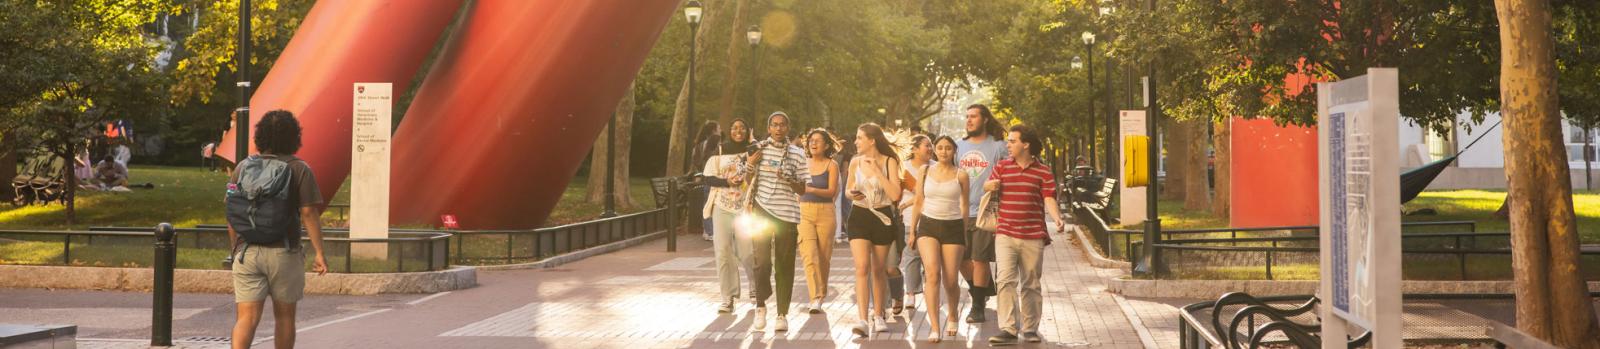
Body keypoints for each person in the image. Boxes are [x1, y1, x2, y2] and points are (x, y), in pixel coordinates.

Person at [226, 110, 329, 349]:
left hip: (247, 251)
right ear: (294, 137)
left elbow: (232, 213)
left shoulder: (243, 167)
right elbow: (308, 213)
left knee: (246, 318)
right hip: (284, 251)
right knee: (284, 318)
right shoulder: (299, 169)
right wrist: (320, 253)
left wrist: (234, 248)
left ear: (260, 135)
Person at [985, 125, 1068, 346]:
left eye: (1012, 141)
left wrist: (1057, 218)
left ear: (1026, 144)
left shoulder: (1043, 171)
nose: (1008, 145)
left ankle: (1030, 329)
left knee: (1031, 283)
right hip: (1005, 233)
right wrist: (989, 185)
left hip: (1033, 235)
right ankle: (1008, 328)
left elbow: (1049, 197)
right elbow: (987, 186)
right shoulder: (1002, 166)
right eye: (1008, 141)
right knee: (1004, 280)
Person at [733, 112, 808, 333]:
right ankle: (760, 306)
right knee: (762, 262)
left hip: (787, 215)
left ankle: (782, 313)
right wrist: (750, 164)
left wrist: (789, 179)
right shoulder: (758, 150)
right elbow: (747, 181)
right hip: (761, 211)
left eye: (782, 125)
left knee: (785, 264)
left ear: (788, 127)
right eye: (774, 125)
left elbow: (803, 189)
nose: (778, 129)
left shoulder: (797, 153)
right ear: (768, 128)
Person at [908, 135, 971, 342]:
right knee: (932, 274)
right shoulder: (924, 171)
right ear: (935, 150)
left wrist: (963, 232)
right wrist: (912, 230)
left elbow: (964, 206)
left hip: (953, 226)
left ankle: (952, 314)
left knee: (951, 280)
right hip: (928, 225)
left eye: (948, 148)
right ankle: (935, 327)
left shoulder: (961, 175)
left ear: (954, 151)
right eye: (940, 148)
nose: (944, 151)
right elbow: (918, 201)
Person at [844, 123, 903, 337]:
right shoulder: (855, 162)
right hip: (859, 216)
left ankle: (878, 315)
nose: (856, 142)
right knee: (862, 267)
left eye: (860, 138)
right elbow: (847, 191)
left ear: (872, 140)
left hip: (883, 217)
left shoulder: (889, 162)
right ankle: (862, 319)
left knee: (879, 269)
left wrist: (878, 171)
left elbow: (895, 195)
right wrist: (852, 193)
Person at [956, 104, 1008, 323]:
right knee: (959, 259)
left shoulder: (998, 146)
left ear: (985, 119)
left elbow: (1006, 177)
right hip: (959, 211)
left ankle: (977, 306)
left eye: (974, 116)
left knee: (980, 259)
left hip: (985, 212)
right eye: (967, 116)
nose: (969, 120)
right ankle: (984, 286)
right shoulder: (958, 146)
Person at [701, 118, 753, 314]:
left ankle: (755, 289)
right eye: (734, 127)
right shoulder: (720, 150)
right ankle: (727, 297)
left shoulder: (753, 151)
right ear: (729, 131)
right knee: (723, 251)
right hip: (721, 206)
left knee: (747, 252)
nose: (738, 131)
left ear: (748, 131)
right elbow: (706, 177)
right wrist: (727, 182)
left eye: (742, 127)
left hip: (745, 207)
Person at [796, 128, 840, 314]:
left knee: (823, 258)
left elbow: (831, 192)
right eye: (811, 140)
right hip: (804, 212)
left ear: (827, 145)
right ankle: (815, 297)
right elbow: (797, 188)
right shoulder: (802, 164)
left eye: (818, 141)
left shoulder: (832, 165)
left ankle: (821, 294)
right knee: (809, 255)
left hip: (826, 212)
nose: (813, 143)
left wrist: (810, 189)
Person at [889, 135, 931, 316]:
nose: (930, 148)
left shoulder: (935, 167)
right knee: (910, 255)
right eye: (926, 146)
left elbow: (924, 194)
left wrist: (907, 203)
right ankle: (910, 293)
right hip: (907, 220)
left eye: (931, 145)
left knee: (929, 261)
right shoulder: (903, 168)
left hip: (931, 217)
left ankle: (929, 291)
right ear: (914, 149)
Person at [690, 121, 721, 241]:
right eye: (718, 128)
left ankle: (707, 230)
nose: (720, 130)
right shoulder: (715, 142)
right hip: (713, 176)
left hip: (704, 176)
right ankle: (710, 231)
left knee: (708, 204)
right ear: (713, 130)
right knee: (712, 204)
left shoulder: (699, 145)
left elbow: (695, 162)